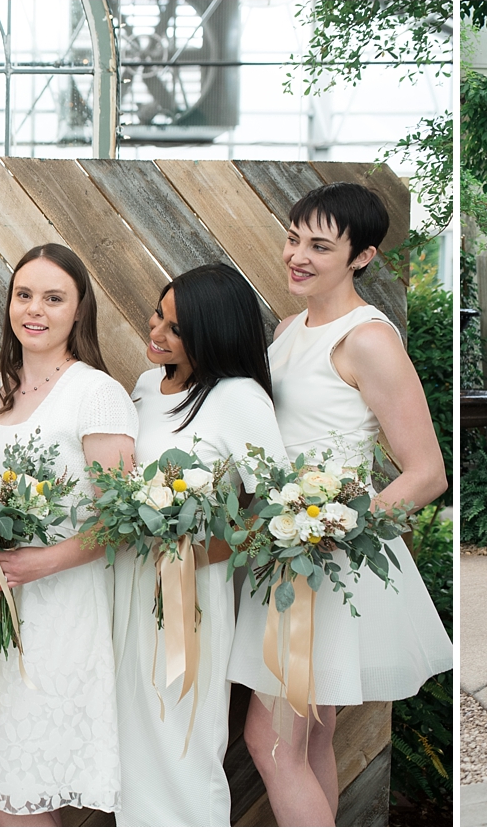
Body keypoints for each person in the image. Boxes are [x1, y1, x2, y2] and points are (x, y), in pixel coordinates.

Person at [230, 182, 453, 826]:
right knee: (309, 739)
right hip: (282, 558)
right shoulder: (288, 327)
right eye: (293, 238)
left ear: (362, 257)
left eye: (319, 246)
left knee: (269, 742)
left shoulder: (368, 339)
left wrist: (330, 533)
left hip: (323, 564)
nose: (296, 255)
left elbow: (427, 473)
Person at [0, 245, 131, 824]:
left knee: (28, 784)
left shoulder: (95, 393)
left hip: (61, 610)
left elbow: (121, 521)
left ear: (79, 311)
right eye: (24, 295)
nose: (34, 310)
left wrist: (42, 563)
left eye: (53, 298)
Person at [118, 263, 281, 825]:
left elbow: (280, 511)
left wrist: (202, 552)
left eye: (175, 328)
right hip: (127, 585)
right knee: (132, 738)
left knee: (181, 735)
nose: (155, 331)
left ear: (213, 334)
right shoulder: (146, 386)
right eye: (159, 314)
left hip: (190, 594)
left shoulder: (238, 399)